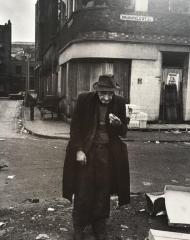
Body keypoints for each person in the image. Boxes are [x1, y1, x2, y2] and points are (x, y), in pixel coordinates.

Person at [62, 75, 130, 240]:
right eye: (102, 93)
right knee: (83, 190)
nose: (106, 98)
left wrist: (118, 125)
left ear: (114, 93)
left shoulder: (119, 102)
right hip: (87, 151)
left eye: (109, 94)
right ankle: (79, 226)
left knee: (103, 190)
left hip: (107, 154)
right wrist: (78, 150)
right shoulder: (84, 100)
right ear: (97, 91)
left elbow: (124, 132)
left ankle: (99, 225)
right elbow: (75, 127)